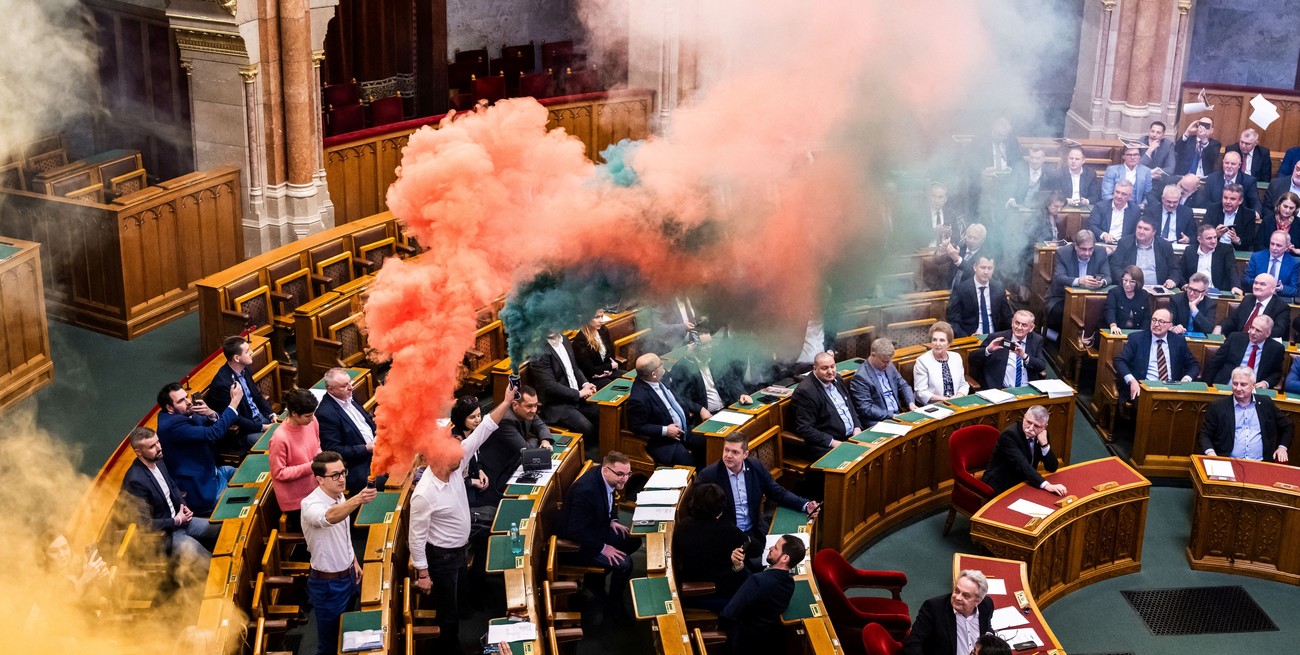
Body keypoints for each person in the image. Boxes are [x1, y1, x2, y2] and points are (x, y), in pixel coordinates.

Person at [408, 392, 510, 653]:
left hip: (459, 548)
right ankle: (448, 647)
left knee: (457, 598)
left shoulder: (452, 464)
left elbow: (482, 431)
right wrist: (423, 573)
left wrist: (507, 402)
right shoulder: (424, 494)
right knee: (447, 609)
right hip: (441, 557)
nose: (462, 461)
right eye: (457, 459)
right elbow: (416, 537)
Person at [695, 433, 819, 561]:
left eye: (735, 452)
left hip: (755, 528)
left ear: (745, 454)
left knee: (783, 557)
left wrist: (805, 504)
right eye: (726, 450)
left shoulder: (755, 467)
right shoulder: (709, 475)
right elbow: (698, 510)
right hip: (728, 536)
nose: (728, 455)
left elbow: (777, 492)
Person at [301, 451, 378, 655]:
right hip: (327, 586)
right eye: (335, 475)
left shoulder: (338, 495)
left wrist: (353, 560)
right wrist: (358, 499)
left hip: (349, 576)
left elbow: (342, 535)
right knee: (329, 643)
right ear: (320, 480)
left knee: (347, 636)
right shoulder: (310, 504)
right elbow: (329, 518)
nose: (342, 478)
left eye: (343, 472)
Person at [121, 426, 221, 580]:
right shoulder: (135, 480)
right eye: (152, 446)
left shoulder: (158, 461)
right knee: (207, 560)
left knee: (220, 529)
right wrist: (176, 520)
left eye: (158, 442)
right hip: (165, 535)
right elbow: (144, 524)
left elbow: (172, 486)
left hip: (181, 521)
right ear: (138, 452)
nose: (159, 448)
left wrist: (183, 505)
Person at [559, 451, 642, 617]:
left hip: (597, 528)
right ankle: (614, 603)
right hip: (578, 545)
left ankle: (596, 578)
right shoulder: (586, 490)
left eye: (628, 474)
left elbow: (611, 501)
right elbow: (574, 530)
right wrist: (603, 548)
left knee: (633, 541)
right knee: (625, 564)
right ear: (606, 470)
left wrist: (613, 520)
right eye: (620, 474)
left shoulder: (608, 479)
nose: (625, 479)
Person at [155, 380, 243, 516]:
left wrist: (210, 413)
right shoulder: (172, 426)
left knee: (247, 474)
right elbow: (214, 433)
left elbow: (208, 424)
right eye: (181, 400)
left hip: (213, 472)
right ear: (170, 408)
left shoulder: (185, 413)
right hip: (201, 488)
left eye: (186, 396)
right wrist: (234, 403)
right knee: (244, 500)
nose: (188, 401)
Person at [718, 534, 805, 655]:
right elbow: (760, 585)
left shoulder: (757, 581)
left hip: (740, 642)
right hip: (764, 642)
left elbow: (728, 614)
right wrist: (740, 567)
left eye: (775, 548)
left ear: (785, 558)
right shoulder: (789, 583)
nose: (770, 548)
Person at [672, 483, 749, 609]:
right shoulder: (727, 530)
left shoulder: (683, 525)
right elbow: (755, 548)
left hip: (691, 577)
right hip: (714, 591)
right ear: (721, 509)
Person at [1197, 367, 1292, 463]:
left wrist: (1282, 447)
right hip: (1227, 462)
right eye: (1235, 384)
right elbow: (1204, 435)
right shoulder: (1218, 406)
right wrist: (1211, 454)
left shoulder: (1265, 403)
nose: (1238, 388)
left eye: (1243, 384)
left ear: (1253, 385)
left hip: (1260, 463)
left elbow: (1288, 426)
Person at [316, 367, 384, 497]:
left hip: (375, 449)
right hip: (356, 463)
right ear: (330, 389)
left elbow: (366, 421)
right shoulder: (326, 414)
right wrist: (365, 448)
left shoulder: (349, 396)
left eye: (349, 383)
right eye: (344, 386)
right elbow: (334, 450)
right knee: (379, 480)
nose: (350, 387)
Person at [627, 352, 704, 467]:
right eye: (661, 364)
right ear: (653, 374)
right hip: (664, 442)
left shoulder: (661, 377)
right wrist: (665, 430)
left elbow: (677, 395)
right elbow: (637, 426)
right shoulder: (638, 398)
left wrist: (697, 409)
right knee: (689, 464)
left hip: (686, 429)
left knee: (711, 444)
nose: (663, 366)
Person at [477, 385, 554, 496]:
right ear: (515, 405)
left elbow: (541, 426)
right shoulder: (505, 420)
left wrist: (545, 441)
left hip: (514, 457)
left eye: (535, 405)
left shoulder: (527, 411)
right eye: (529, 406)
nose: (534, 410)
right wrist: (536, 442)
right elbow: (527, 451)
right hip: (500, 472)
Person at [667, 329, 754, 424]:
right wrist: (700, 409)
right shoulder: (682, 366)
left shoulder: (718, 358)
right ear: (693, 345)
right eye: (704, 345)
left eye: (710, 343)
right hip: (705, 416)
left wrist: (741, 393)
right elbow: (680, 396)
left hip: (727, 409)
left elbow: (731, 380)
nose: (709, 347)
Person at [901, 569, 995, 655]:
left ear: (978, 601)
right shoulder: (933, 608)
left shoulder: (986, 605)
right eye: (957, 591)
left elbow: (987, 627)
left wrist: (989, 639)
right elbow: (913, 644)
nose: (958, 597)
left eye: (966, 596)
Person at [530, 329, 600, 445]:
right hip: (557, 405)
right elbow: (550, 386)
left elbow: (574, 368)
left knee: (602, 413)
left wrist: (585, 384)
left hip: (576, 397)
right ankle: (584, 458)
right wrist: (579, 393)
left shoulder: (565, 340)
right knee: (586, 427)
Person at [203, 336, 276, 446]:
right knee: (278, 443)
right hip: (246, 431)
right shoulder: (222, 384)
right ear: (237, 358)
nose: (251, 352)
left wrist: (271, 414)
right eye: (247, 351)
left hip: (262, 419)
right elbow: (235, 418)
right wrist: (263, 427)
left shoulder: (244, 369)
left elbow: (257, 396)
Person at [1114, 309, 1199, 402]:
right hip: (1144, 388)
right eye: (1154, 320)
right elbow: (1119, 361)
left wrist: (1185, 380)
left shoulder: (1179, 341)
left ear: (1170, 325)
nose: (1156, 324)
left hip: (1172, 389)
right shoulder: (1137, 339)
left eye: (1161, 321)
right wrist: (1132, 381)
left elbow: (1194, 365)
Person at [268, 389, 322, 532]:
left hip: (317, 487)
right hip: (297, 499)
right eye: (307, 416)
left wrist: (320, 459)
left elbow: (317, 445)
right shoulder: (280, 438)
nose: (311, 419)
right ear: (293, 414)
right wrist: (312, 466)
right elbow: (279, 473)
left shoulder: (312, 421)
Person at [982, 405, 1066, 497]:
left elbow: (1052, 467)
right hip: (1000, 483)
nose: (1030, 428)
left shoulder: (1042, 435)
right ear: (1024, 417)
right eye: (1029, 422)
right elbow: (1022, 464)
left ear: (1044, 427)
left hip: (1025, 480)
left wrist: (1045, 445)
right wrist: (1047, 485)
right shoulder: (1010, 435)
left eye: (1037, 426)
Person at [792, 352, 862, 457]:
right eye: (825, 368)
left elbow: (849, 405)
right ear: (814, 368)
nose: (830, 372)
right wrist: (833, 442)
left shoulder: (837, 379)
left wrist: (857, 427)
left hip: (852, 436)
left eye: (832, 367)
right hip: (828, 444)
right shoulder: (806, 391)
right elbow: (804, 428)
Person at [1046, 231, 1111, 331]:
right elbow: (1059, 277)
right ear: (1075, 246)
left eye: (1090, 249)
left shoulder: (1100, 252)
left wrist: (1101, 282)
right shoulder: (1064, 253)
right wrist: (1079, 281)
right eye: (1083, 249)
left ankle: (1089, 340)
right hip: (1062, 297)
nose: (1087, 253)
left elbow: (1108, 277)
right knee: (1062, 313)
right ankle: (1059, 339)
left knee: (1102, 314)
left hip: (1090, 299)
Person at [849, 338, 918, 427]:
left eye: (890, 361)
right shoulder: (861, 377)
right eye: (884, 361)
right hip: (878, 421)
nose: (888, 365)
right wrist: (892, 415)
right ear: (873, 355)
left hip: (898, 414)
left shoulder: (889, 365)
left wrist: (910, 403)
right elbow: (866, 409)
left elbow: (903, 385)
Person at [1202, 315, 1284, 388]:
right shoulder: (1235, 338)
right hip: (1227, 385)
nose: (1252, 332)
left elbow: (1276, 373)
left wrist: (1266, 383)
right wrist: (1206, 386)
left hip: (1254, 390)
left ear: (1267, 334)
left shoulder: (1276, 349)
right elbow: (1215, 363)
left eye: (1258, 331)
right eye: (1252, 327)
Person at [971, 311, 1046, 390]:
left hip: (1027, 390)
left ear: (1031, 328)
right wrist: (988, 350)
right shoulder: (996, 338)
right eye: (1017, 323)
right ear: (1012, 322)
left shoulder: (1036, 340)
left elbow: (1041, 365)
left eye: (1024, 325)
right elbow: (972, 359)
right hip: (1000, 390)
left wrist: (1024, 357)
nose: (1019, 327)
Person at [946, 255, 1011, 338]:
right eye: (983, 268)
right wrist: (967, 338)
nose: (986, 272)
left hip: (995, 337)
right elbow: (953, 320)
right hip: (970, 338)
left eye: (990, 268)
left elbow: (1007, 317)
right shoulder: (961, 289)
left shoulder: (998, 289)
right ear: (975, 267)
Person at [1108, 215, 1179, 289]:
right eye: (1139, 227)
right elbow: (1114, 267)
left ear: (1154, 232)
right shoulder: (1125, 243)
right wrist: (1127, 281)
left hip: (1158, 289)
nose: (1141, 231)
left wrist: (1172, 279)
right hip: (1130, 289)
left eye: (1146, 229)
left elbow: (1174, 269)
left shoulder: (1164, 245)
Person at [1214, 272, 1290, 339]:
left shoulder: (1281, 307)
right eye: (1255, 283)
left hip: (1262, 344)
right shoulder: (1247, 299)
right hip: (1239, 341)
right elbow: (1233, 319)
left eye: (1262, 284)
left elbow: (1279, 330)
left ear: (1273, 289)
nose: (1257, 286)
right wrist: (1220, 327)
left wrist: (1256, 334)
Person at [913, 322, 970, 404]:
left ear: (949, 344)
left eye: (942, 340)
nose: (937, 344)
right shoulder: (922, 361)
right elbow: (921, 393)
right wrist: (945, 400)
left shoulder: (956, 357)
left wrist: (957, 398)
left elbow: (963, 385)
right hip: (935, 406)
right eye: (934, 340)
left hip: (956, 402)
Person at [1239, 231, 1300, 302]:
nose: (1274, 248)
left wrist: (1281, 288)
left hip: (1278, 301)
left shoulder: (1294, 263)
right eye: (1272, 244)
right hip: (1256, 298)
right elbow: (1245, 280)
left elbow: (1295, 290)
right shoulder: (1257, 257)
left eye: (1278, 245)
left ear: (1286, 247)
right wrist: (1259, 283)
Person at [1178, 223, 1238, 293]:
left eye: (1215, 237)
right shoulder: (1189, 251)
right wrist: (1185, 285)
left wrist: (1235, 286)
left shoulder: (1225, 249)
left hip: (1216, 291)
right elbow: (1179, 271)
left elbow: (1232, 270)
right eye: (1209, 238)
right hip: (1193, 291)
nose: (1213, 241)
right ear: (1199, 239)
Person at [571, 308, 622, 382]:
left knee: (632, 380)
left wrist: (609, 369)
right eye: (597, 317)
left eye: (602, 316)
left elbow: (611, 355)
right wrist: (610, 366)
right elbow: (589, 370)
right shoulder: (580, 341)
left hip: (609, 372)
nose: (601, 320)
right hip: (594, 378)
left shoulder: (603, 330)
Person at [1204, 183, 1260, 249]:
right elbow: (1202, 232)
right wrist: (1215, 234)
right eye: (1225, 198)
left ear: (1240, 201)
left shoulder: (1248, 215)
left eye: (1232, 199)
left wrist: (1237, 240)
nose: (1227, 202)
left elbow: (1250, 241)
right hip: (1214, 248)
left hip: (1236, 251)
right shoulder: (1212, 209)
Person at [1104, 266, 1152, 335]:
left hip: (1136, 332)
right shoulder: (1114, 292)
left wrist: (1142, 333)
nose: (1127, 284)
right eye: (1125, 280)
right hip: (1116, 330)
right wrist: (1113, 326)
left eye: (1132, 281)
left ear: (1138, 283)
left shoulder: (1143, 294)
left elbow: (1146, 318)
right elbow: (1110, 310)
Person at [1088, 179, 1139, 245]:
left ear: (1129, 196)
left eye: (1124, 194)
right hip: (1103, 244)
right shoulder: (1100, 207)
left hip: (1124, 247)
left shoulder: (1135, 211)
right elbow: (1092, 226)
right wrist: (1103, 234)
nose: (1119, 196)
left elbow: (1135, 232)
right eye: (1117, 192)